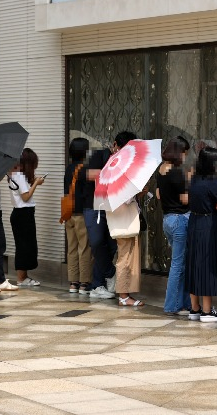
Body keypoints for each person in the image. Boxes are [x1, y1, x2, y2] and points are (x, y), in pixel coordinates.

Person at [185, 147, 217, 322]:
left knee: (194, 263)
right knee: (208, 265)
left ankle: (195, 308)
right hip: (209, 224)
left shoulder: (194, 180)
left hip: (194, 223)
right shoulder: (214, 183)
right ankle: (207, 310)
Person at [106, 131, 145, 307]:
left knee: (124, 255)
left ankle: (124, 294)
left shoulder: (112, 164)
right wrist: (139, 189)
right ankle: (123, 295)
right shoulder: (121, 166)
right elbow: (124, 196)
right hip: (124, 216)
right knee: (125, 256)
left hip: (117, 215)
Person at [157, 136, 192, 316]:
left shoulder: (161, 170)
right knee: (178, 265)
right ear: (179, 152)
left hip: (167, 220)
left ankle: (182, 304)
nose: (185, 156)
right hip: (179, 220)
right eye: (184, 152)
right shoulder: (176, 172)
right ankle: (172, 305)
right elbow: (185, 199)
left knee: (179, 264)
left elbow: (158, 195)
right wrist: (191, 185)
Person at [79, 146, 117, 299]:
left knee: (111, 246)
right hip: (93, 206)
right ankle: (110, 274)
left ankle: (98, 284)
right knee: (96, 242)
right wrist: (111, 173)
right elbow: (87, 174)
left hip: (111, 207)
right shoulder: (100, 155)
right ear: (115, 145)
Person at [8, 148, 44, 287]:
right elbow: (25, 196)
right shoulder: (18, 176)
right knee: (24, 246)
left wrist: (33, 182)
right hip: (23, 214)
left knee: (24, 245)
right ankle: (22, 278)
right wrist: (36, 183)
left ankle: (23, 277)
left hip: (19, 214)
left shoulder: (14, 174)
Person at [65, 137, 92, 294]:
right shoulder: (84, 169)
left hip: (68, 213)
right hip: (81, 213)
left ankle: (73, 283)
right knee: (84, 248)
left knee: (72, 248)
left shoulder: (68, 168)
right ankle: (84, 283)